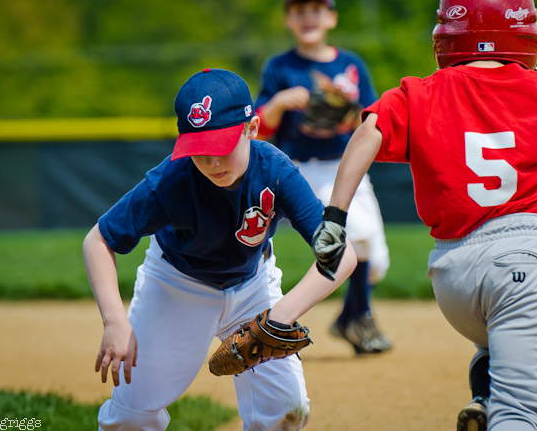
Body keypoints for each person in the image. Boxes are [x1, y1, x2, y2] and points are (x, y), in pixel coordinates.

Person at [311, 0, 537, 430]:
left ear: (446, 38)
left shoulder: (419, 92)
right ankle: (501, 407)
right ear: (526, 35)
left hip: (451, 276)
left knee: (493, 346)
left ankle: (484, 395)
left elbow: (367, 133)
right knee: (521, 412)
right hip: (521, 257)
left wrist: (335, 214)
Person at [83, 68, 357, 431]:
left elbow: (342, 254)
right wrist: (115, 321)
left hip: (253, 285)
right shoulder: (171, 180)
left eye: (222, 146)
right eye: (199, 150)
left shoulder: (274, 170)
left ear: (252, 129)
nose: (212, 161)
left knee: (286, 411)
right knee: (132, 417)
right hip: (176, 284)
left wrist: (279, 316)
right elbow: (98, 240)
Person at [255, 0, 392, 354]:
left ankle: (351, 316)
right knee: (356, 236)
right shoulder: (281, 67)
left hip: (346, 165)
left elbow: (371, 118)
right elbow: (258, 127)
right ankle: (358, 316)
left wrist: (347, 112)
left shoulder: (351, 65)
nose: (308, 17)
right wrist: (281, 101)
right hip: (301, 167)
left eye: (316, 9)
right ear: (288, 21)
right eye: (299, 10)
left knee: (376, 259)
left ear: (331, 17)